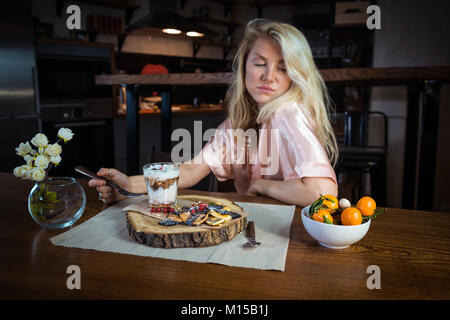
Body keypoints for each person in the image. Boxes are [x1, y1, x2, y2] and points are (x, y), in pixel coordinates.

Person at [89, 19, 338, 207]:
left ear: (296, 75)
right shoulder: (239, 122)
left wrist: (262, 186)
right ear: (244, 67)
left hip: (292, 238)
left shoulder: (288, 111)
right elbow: (192, 169)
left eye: (283, 68)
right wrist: (131, 186)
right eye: (260, 63)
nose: (268, 76)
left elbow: (322, 194)